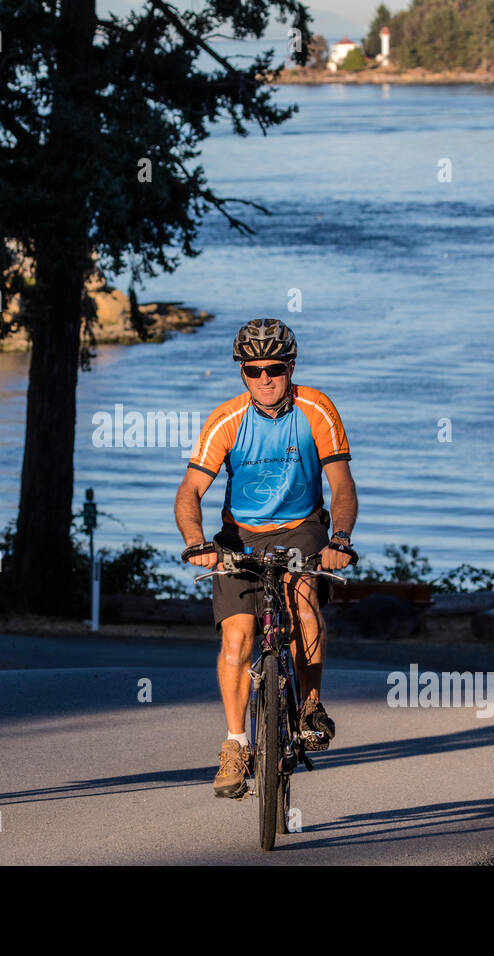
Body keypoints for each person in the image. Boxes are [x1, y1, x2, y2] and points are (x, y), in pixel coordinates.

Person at [174, 318, 358, 798]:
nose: (265, 379)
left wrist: (339, 540)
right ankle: (236, 745)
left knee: (302, 599)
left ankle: (310, 705)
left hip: (303, 527)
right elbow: (190, 491)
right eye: (253, 371)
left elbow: (341, 485)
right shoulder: (226, 420)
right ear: (242, 372)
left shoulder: (316, 408)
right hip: (240, 535)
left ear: (290, 366)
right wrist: (198, 542)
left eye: (274, 368)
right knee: (237, 637)